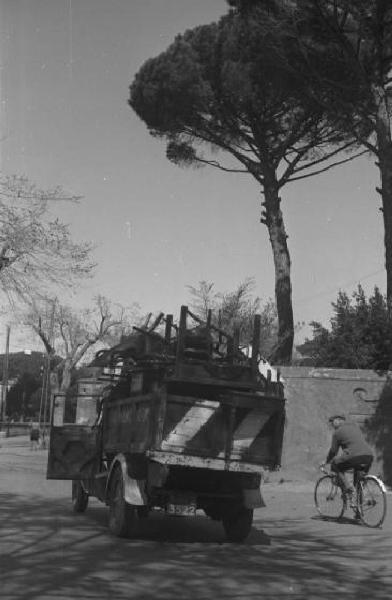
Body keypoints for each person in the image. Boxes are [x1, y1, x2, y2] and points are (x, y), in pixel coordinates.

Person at [321, 414, 373, 501]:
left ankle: (349, 488)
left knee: (335, 465)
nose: (331, 425)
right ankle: (359, 510)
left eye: (332, 422)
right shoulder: (355, 427)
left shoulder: (337, 433)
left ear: (338, 420)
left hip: (354, 457)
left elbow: (333, 451)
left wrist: (326, 461)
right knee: (358, 482)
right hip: (368, 456)